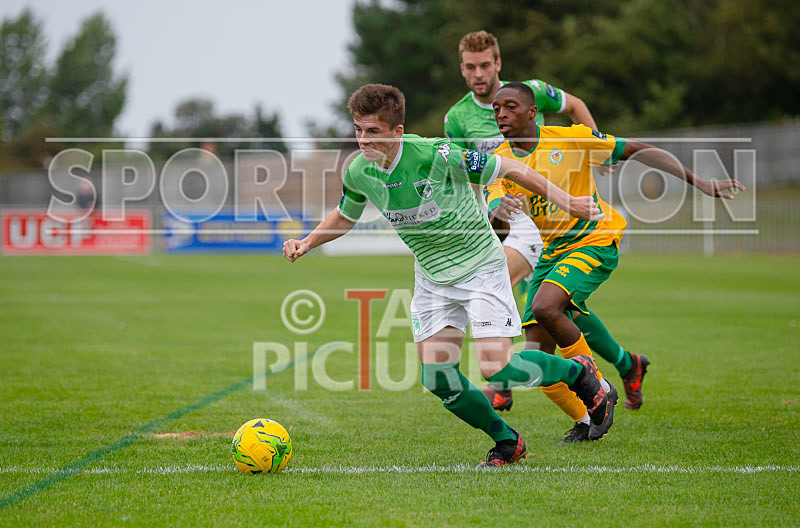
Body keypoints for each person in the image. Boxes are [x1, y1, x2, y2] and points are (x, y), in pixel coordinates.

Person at [283, 83, 615, 467]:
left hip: (480, 268)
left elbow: (508, 167)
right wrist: (307, 241)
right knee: (437, 377)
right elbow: (344, 215)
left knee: (499, 367)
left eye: (372, 131)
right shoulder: (359, 171)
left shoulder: (435, 154)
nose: (363, 140)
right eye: (358, 129)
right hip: (432, 278)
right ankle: (508, 442)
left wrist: (568, 200)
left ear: (397, 132)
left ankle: (580, 373)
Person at [486, 82, 745, 442]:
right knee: (536, 359)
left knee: (547, 306)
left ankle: (597, 384)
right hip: (552, 250)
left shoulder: (570, 139)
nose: (500, 114)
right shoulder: (499, 158)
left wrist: (698, 181)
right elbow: (492, 194)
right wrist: (495, 205)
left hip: (594, 239)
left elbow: (637, 149)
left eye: (509, 107)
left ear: (532, 113)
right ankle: (586, 422)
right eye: (496, 109)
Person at [445, 31, 648, 429]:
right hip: (508, 211)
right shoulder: (457, 118)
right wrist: (482, 216)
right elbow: (468, 174)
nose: (479, 74)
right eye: (470, 67)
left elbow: (575, 105)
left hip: (552, 210)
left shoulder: (531, 91)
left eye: (485, 65)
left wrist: (594, 150)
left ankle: (506, 378)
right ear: (462, 69)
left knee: (502, 286)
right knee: (553, 309)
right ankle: (627, 363)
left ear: (498, 63)